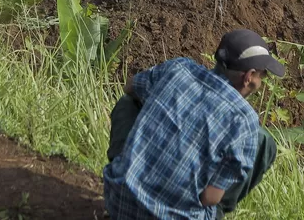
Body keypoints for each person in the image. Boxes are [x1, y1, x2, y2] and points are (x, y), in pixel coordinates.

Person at [104, 29, 284, 219]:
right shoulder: (244, 121)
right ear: (249, 76)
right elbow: (209, 198)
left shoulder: (179, 68)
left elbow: (130, 87)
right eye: (262, 76)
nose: (261, 82)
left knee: (129, 102)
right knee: (263, 141)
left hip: (119, 203)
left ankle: (125, 170)